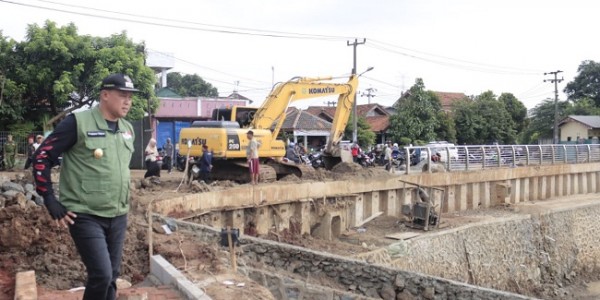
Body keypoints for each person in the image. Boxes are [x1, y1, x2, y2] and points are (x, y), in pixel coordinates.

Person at [32, 73, 138, 300]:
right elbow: (41, 158)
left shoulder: (127, 128)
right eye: (122, 95)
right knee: (101, 274)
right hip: (85, 214)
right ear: (105, 95)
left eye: (130, 97)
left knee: (111, 277)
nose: (127, 101)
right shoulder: (77, 123)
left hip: (118, 214)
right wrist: (50, 199)